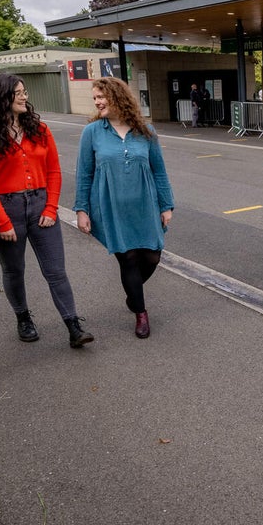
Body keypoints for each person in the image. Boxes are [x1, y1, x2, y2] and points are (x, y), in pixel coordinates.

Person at [0, 73, 93, 349]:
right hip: (7, 207)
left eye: (25, 92)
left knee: (56, 270)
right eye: (18, 92)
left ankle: (73, 325)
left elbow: (54, 171)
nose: (25, 97)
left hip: (40, 204)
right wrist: (1, 221)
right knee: (14, 270)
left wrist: (51, 208)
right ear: (1, 97)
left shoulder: (40, 129)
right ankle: (23, 317)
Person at [75, 77, 174, 339]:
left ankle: (133, 294)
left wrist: (166, 205)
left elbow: (159, 171)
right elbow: (84, 174)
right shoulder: (92, 132)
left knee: (153, 255)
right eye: (95, 98)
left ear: (118, 96)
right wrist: (81, 209)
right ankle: (141, 313)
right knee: (128, 257)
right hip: (110, 207)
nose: (97, 102)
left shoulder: (146, 131)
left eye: (101, 97)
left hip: (145, 204)